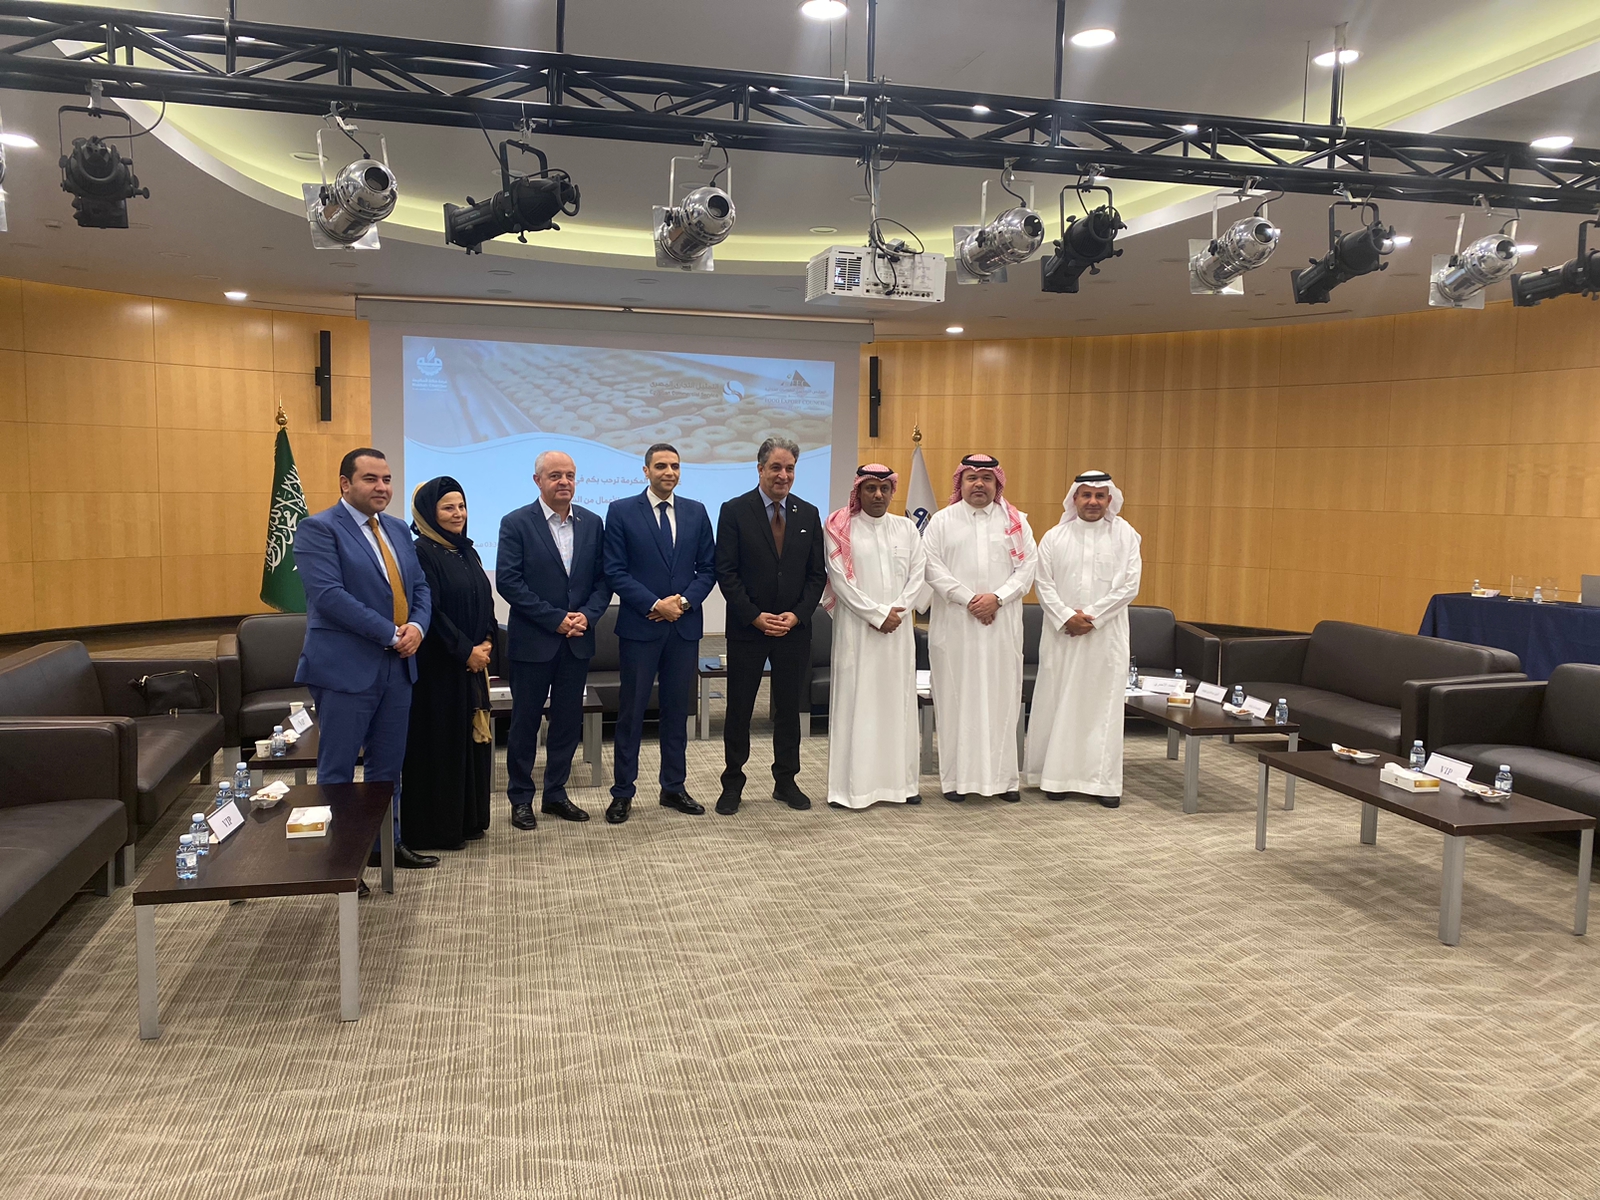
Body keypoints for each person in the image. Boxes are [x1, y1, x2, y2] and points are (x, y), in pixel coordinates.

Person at [293, 447, 437, 888]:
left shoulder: (397, 528)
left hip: (399, 668)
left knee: (387, 769)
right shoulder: (319, 529)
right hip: (345, 669)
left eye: (387, 479)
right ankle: (341, 861)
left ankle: (385, 846)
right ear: (345, 483)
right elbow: (329, 597)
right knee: (337, 771)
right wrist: (392, 633)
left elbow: (419, 587)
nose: (382, 487)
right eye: (371, 479)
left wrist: (417, 627)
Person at [602, 443, 718, 825]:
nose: (669, 472)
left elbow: (708, 569)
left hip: (683, 629)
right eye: (661, 466)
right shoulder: (621, 511)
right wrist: (655, 604)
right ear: (646, 471)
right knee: (632, 713)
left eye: (675, 466)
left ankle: (673, 787)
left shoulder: (696, 511)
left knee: (676, 712)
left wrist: (681, 603)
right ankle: (623, 793)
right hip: (641, 628)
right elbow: (614, 570)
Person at [496, 451, 612, 831]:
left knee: (566, 722)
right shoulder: (516, 523)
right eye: (555, 475)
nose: (564, 482)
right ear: (538, 481)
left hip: (577, 640)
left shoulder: (593, 523)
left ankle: (556, 793)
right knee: (525, 723)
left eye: (570, 475)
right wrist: (555, 619)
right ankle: (520, 798)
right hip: (534, 642)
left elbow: (603, 580)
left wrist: (588, 615)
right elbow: (509, 582)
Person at [714, 436, 827, 815]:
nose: (783, 475)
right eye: (776, 467)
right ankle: (732, 784)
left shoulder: (808, 513)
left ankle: (786, 781)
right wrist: (754, 616)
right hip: (748, 629)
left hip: (793, 631)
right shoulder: (734, 510)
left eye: (790, 468)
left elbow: (816, 574)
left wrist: (797, 615)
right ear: (760, 469)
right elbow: (726, 572)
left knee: (788, 709)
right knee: (739, 709)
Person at [923, 453, 1037, 804]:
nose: (979, 484)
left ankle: (1004, 780)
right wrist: (971, 599)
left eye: (986, 478)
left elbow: (1027, 570)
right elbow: (931, 568)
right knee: (955, 699)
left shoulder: (1016, 522)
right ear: (960, 482)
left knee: (1002, 699)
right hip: (955, 626)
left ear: (996, 483)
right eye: (971, 477)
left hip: (1001, 627)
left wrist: (997, 599)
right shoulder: (941, 522)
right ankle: (955, 781)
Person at [1024, 470, 1142, 808]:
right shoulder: (1054, 537)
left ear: (1109, 500)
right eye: (1086, 495)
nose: (1093, 501)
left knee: (1101, 708)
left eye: (1099, 496)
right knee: (1059, 701)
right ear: (1074, 499)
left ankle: (1102, 783)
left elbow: (1130, 585)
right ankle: (1056, 778)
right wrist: (1066, 617)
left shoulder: (1126, 535)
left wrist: (1092, 617)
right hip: (1062, 635)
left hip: (1106, 638)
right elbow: (1043, 584)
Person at [822, 464, 928, 810]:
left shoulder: (906, 528)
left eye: (884, 488)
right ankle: (850, 789)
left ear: (892, 492)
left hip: (898, 631)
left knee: (897, 703)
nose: (878, 495)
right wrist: (876, 614)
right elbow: (840, 581)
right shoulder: (840, 527)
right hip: (857, 631)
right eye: (871, 488)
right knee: (857, 703)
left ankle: (902, 785)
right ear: (858, 491)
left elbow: (918, 574)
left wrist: (896, 611)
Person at [400, 476, 495, 849]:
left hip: (472, 665)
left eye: (461, 506)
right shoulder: (420, 553)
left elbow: (485, 601)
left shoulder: (466, 550)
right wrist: (465, 651)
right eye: (448, 508)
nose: (458, 514)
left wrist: (487, 642)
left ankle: (469, 820)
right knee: (441, 746)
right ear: (429, 513)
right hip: (438, 670)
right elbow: (431, 613)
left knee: (469, 744)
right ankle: (438, 829)